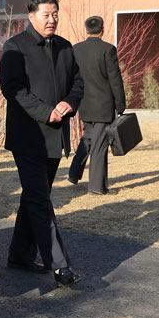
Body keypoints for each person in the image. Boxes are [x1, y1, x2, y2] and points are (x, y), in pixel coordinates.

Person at [0, 0, 84, 287]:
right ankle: (60, 265)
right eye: (46, 14)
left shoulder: (65, 47)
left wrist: (69, 103)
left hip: (55, 136)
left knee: (35, 198)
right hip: (28, 137)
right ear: (31, 16)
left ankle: (20, 254)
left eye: (55, 14)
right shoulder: (15, 46)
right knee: (40, 200)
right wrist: (45, 112)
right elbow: (12, 88)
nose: (52, 19)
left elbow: (77, 82)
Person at [68, 16, 126, 195]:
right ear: (103, 29)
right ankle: (96, 188)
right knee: (100, 146)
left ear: (86, 30)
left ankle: (74, 173)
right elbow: (115, 80)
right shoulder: (108, 49)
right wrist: (120, 105)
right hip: (104, 105)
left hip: (84, 104)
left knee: (89, 139)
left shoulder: (76, 49)